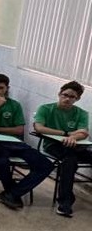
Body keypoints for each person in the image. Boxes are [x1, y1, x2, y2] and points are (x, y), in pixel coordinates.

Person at [0, 74, 52, 209]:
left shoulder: (15, 105)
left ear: (7, 88)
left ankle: (12, 193)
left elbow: (19, 130)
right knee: (0, 162)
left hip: (15, 143)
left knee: (46, 165)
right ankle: (12, 193)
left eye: (1, 88)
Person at [33, 81, 90, 217]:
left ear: (77, 99)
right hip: (53, 145)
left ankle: (67, 197)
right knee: (70, 161)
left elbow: (83, 132)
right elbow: (39, 127)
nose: (67, 99)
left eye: (72, 97)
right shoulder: (46, 109)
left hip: (75, 146)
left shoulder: (81, 113)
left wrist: (73, 137)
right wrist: (66, 133)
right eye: (65, 95)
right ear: (59, 94)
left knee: (73, 157)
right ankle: (65, 202)